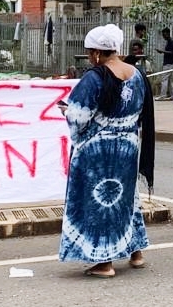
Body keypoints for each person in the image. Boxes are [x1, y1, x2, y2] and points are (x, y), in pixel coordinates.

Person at [59, 24, 155, 278]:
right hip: (128, 146)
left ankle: (104, 262)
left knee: (98, 201)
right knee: (125, 197)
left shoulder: (95, 77)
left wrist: (65, 111)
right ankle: (136, 251)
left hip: (96, 150)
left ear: (97, 53)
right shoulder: (137, 74)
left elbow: (79, 116)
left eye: (90, 53)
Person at [155, 27, 173, 99]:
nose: (163, 36)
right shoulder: (170, 42)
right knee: (170, 80)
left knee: (164, 79)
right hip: (172, 63)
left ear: (168, 33)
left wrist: (162, 51)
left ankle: (162, 95)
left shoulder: (171, 42)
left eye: (164, 34)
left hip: (169, 63)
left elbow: (172, 52)